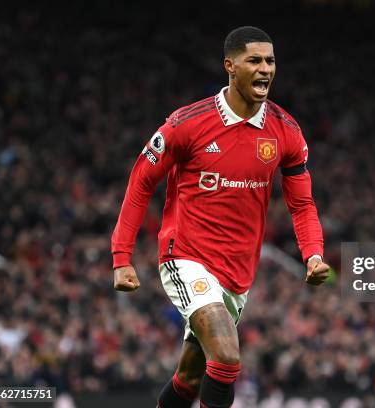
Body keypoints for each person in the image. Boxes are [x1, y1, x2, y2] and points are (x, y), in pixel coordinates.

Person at [110, 26, 330, 408]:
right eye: (255, 60)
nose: (265, 69)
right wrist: (121, 258)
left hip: (239, 271)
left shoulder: (286, 131)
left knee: (191, 377)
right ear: (230, 65)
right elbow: (140, 183)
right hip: (187, 256)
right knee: (227, 356)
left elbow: (302, 204)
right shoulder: (187, 124)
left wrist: (312, 253)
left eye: (270, 61)